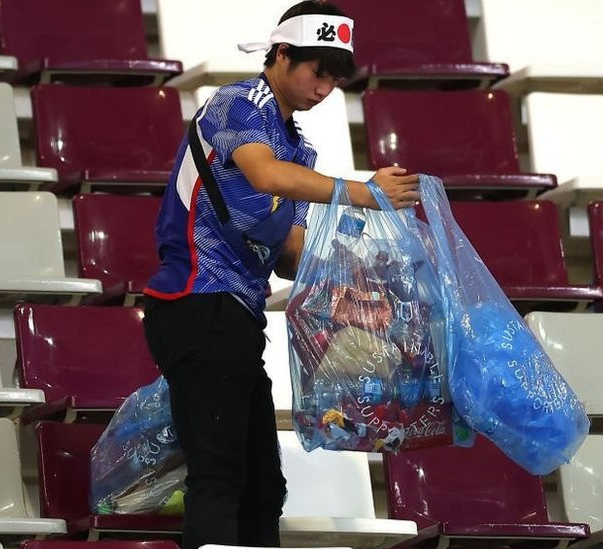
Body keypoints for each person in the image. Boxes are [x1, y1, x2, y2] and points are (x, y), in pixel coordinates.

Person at [141, 2, 419, 548]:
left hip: (237, 317)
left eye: (336, 81)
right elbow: (265, 174)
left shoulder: (300, 149)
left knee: (263, 489)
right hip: (196, 301)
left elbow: (290, 251)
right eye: (318, 72)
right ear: (282, 54)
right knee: (219, 478)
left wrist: (353, 276)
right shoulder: (237, 103)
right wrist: (363, 193)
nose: (324, 90)